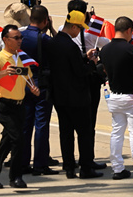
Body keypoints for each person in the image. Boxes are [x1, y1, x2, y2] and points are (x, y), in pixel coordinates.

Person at [47, 10, 103, 180]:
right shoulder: (70, 46)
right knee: (84, 133)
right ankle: (86, 168)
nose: (79, 32)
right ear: (73, 26)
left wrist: (83, 58)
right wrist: (92, 64)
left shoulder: (53, 42)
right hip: (77, 97)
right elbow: (79, 72)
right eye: (79, 29)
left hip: (59, 96)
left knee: (66, 133)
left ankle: (69, 167)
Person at [0, 24, 39, 189]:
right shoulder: (0, 58)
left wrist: (33, 88)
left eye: (20, 37)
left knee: (7, 142)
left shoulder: (21, 57)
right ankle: (16, 177)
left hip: (20, 107)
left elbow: (27, 77)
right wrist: (4, 72)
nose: (19, 41)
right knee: (18, 140)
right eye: (16, 38)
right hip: (5, 106)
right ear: (6, 40)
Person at [99, 16, 133, 181]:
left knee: (117, 132)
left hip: (113, 95)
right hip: (132, 95)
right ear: (129, 30)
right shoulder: (132, 50)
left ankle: (118, 168)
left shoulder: (104, 50)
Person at [68, 0, 110, 170]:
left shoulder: (66, 31)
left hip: (71, 79)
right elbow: (106, 43)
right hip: (89, 78)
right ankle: (87, 158)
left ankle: (70, 160)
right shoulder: (91, 32)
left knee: (70, 123)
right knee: (89, 120)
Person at [19, 5, 57, 176]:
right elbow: (60, 49)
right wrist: (52, 29)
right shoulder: (44, 39)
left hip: (24, 82)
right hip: (40, 83)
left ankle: (23, 162)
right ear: (45, 20)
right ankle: (40, 164)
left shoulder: (20, 36)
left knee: (25, 124)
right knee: (41, 124)